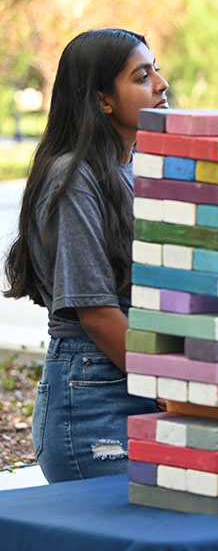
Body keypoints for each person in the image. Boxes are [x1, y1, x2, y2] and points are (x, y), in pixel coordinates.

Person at [4, 29, 167, 482]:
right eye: (142, 75)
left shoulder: (136, 170)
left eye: (156, 68)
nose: (161, 83)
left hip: (143, 380)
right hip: (97, 399)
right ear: (103, 101)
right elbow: (96, 311)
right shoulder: (73, 176)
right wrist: (169, 383)